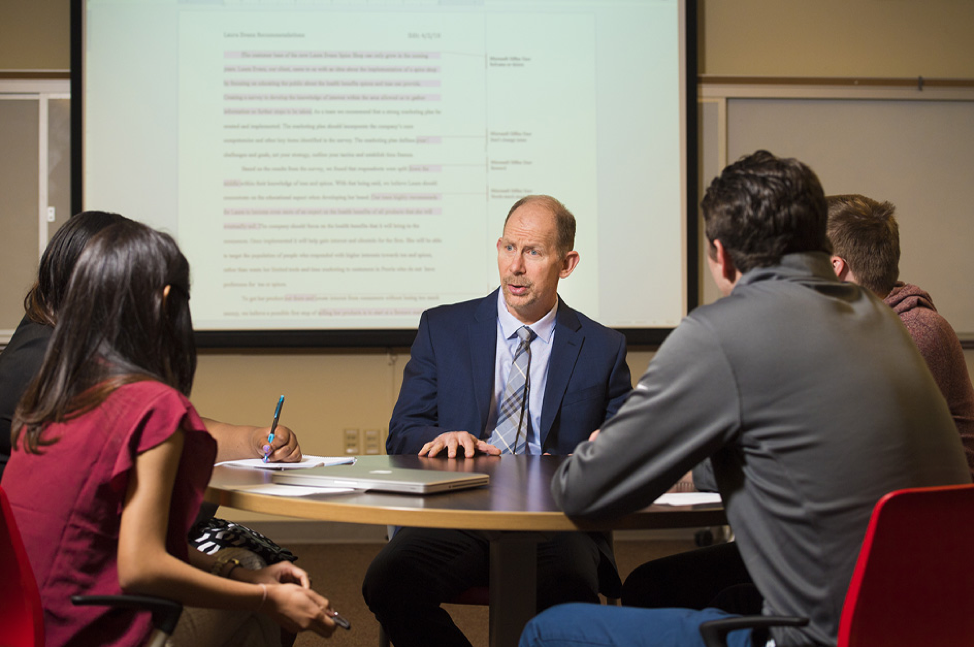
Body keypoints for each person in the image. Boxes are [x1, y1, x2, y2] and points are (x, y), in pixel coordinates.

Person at [518, 151, 971, 647]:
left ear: (722, 256)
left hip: (813, 636)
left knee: (548, 629)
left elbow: (583, 492)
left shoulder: (722, 333)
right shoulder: (886, 322)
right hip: (924, 625)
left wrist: (620, 448)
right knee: (660, 586)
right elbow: (789, 452)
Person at [3, 219, 342, 647]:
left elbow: (115, 540)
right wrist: (263, 597)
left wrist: (240, 576)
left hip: (28, 625)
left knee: (247, 569)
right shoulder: (150, 405)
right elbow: (142, 566)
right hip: (88, 629)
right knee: (262, 614)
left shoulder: (55, 390)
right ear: (166, 301)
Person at [362, 194, 633, 647]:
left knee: (568, 603)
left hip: (555, 520)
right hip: (456, 512)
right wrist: (441, 436)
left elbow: (625, 445)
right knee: (389, 582)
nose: (515, 267)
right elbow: (403, 432)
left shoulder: (603, 348)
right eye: (509, 248)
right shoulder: (443, 328)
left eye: (533, 252)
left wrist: (600, 449)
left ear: (567, 263)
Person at [0, 211, 302, 480]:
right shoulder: (55, 370)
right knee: (246, 545)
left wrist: (251, 441)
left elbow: (175, 431)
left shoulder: (50, 340)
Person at [827, 193, 974, 473]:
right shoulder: (856, 326)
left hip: (933, 510)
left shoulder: (916, 330)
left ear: (834, 267)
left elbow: (856, 446)